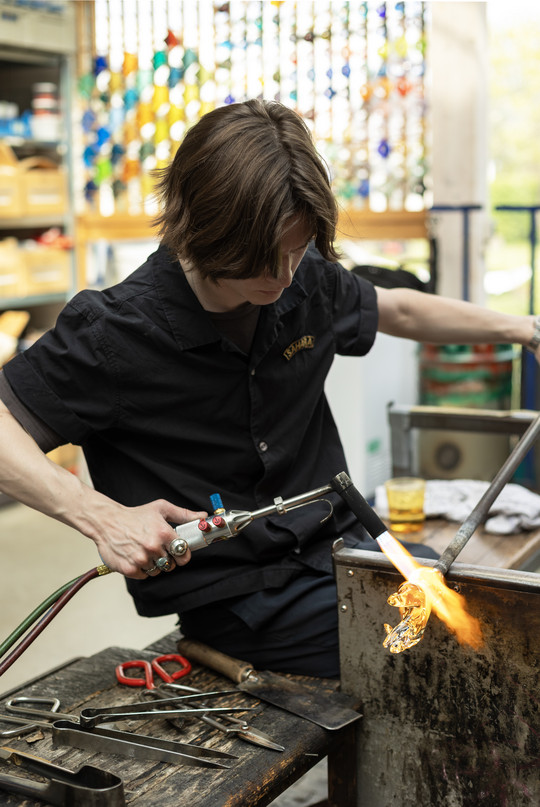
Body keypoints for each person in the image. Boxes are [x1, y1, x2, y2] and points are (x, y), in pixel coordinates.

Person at [0, 99, 538, 678]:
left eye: (297, 249)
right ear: (200, 226)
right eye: (262, 259)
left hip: (345, 548)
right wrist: (100, 515)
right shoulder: (115, 334)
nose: (283, 277)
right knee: (473, 653)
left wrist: (525, 329)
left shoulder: (303, 281)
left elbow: (398, 309)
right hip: (241, 600)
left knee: (496, 609)